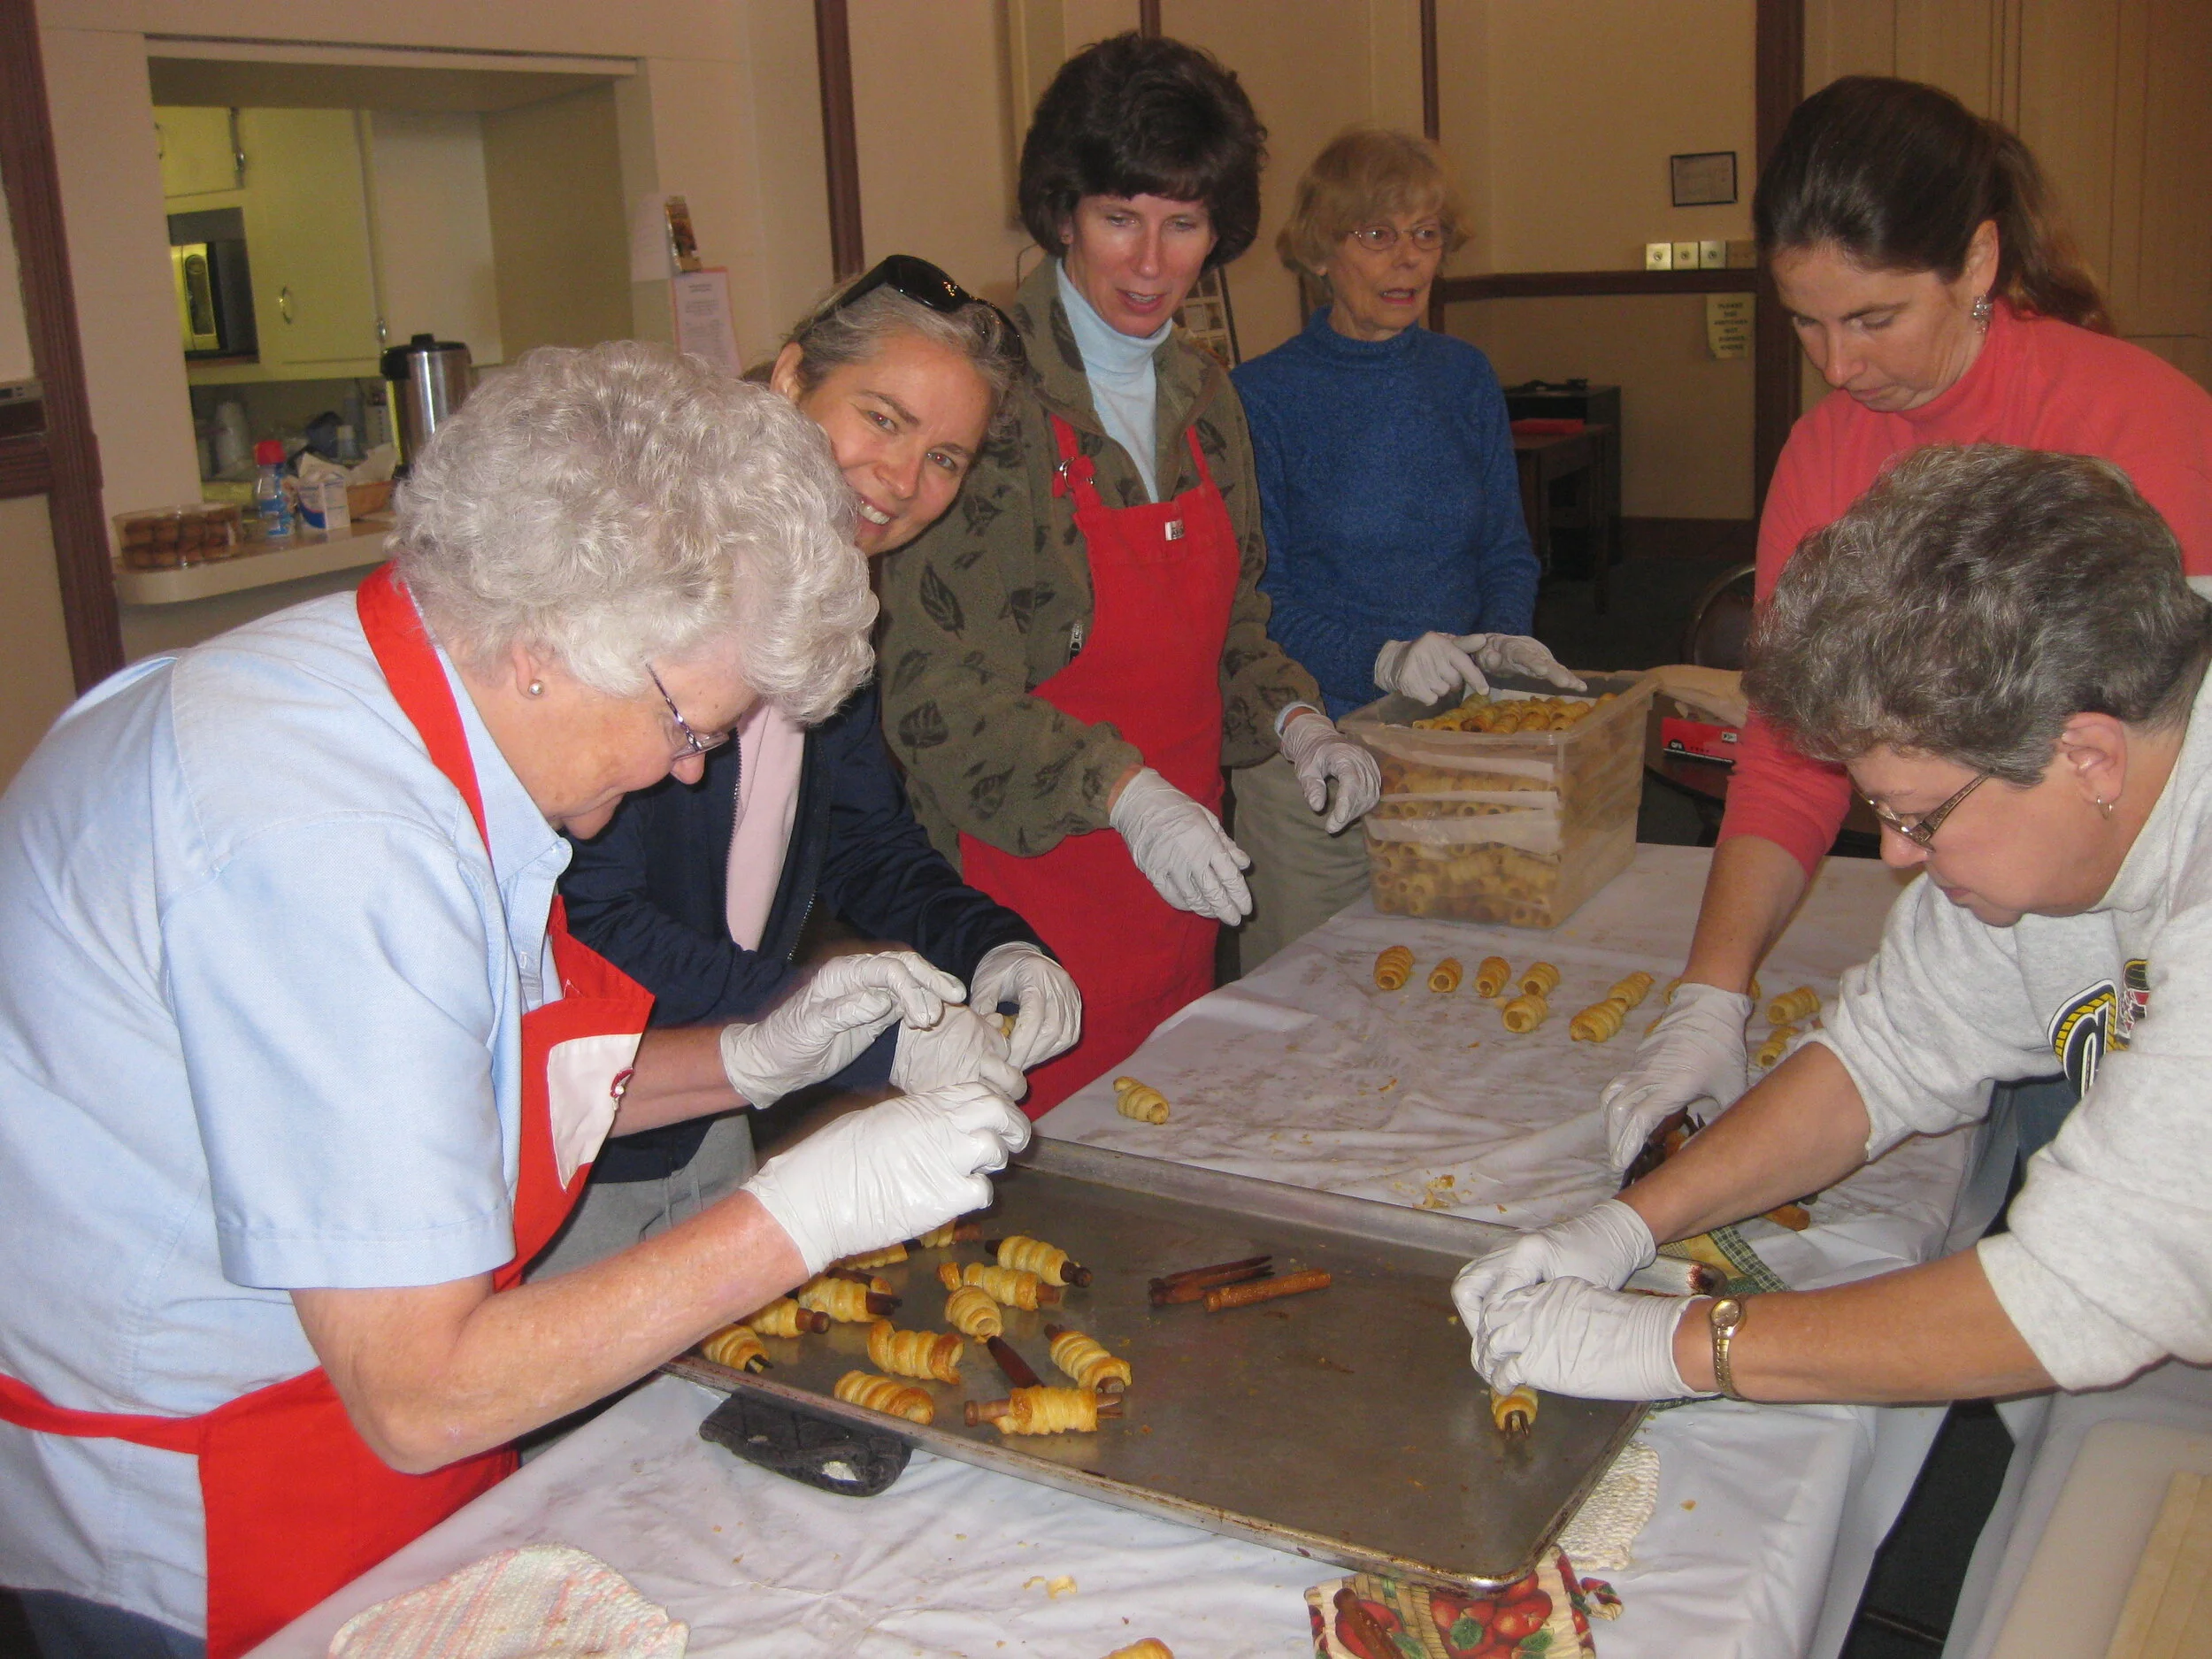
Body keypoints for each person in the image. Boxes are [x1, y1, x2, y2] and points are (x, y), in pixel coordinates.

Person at [0, 343, 1031, 1659]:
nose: (684, 766)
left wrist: (752, 1061)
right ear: (550, 641)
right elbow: (424, 1392)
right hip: (208, 1491)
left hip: (326, 1413)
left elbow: (473, 1075)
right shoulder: (331, 836)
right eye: (686, 723)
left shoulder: (409, 688)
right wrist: (806, 1207)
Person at [1455, 444, 2212, 1407]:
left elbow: (2082, 1290)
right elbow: (1886, 1057)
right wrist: (1626, 1226)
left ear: (2089, 758)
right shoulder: (2044, 764)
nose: (1897, 857)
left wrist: (1689, 1347)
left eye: (1919, 817)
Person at [1601, 75, 2212, 1172]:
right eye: (1806, 323)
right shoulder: (1826, 453)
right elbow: (1790, 761)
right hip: (1970, 961)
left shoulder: (2140, 422)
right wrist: (1710, 991)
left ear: (1975, 264)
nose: (1838, 365)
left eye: (1874, 319)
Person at [876, 33, 1380, 1114]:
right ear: (1063, 215)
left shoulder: (1208, 401)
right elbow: (934, 700)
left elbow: (1235, 631)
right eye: (1119, 218)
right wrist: (1125, 793)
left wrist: (1298, 721)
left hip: (1179, 895)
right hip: (1021, 906)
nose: (1150, 263)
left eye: (1183, 223)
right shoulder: (979, 399)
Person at [547, 257, 1080, 1277]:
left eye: (944, 457)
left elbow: (865, 844)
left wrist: (998, 948)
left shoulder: (834, 608)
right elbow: (597, 929)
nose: (901, 479)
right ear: (791, 381)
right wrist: (860, 1037)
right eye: (881, 419)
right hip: (581, 1135)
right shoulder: (652, 598)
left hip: (712, 1109)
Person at [1230, 127, 1579, 971]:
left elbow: (1505, 545)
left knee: (1450, 984)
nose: (1408, 261)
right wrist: (1383, 658)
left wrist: (1496, 642)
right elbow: (1261, 596)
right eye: (1377, 235)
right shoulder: (1260, 397)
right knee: (1313, 999)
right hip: (1317, 747)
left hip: (1454, 739)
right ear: (1320, 250)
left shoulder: (1462, 375)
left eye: (1426, 236)